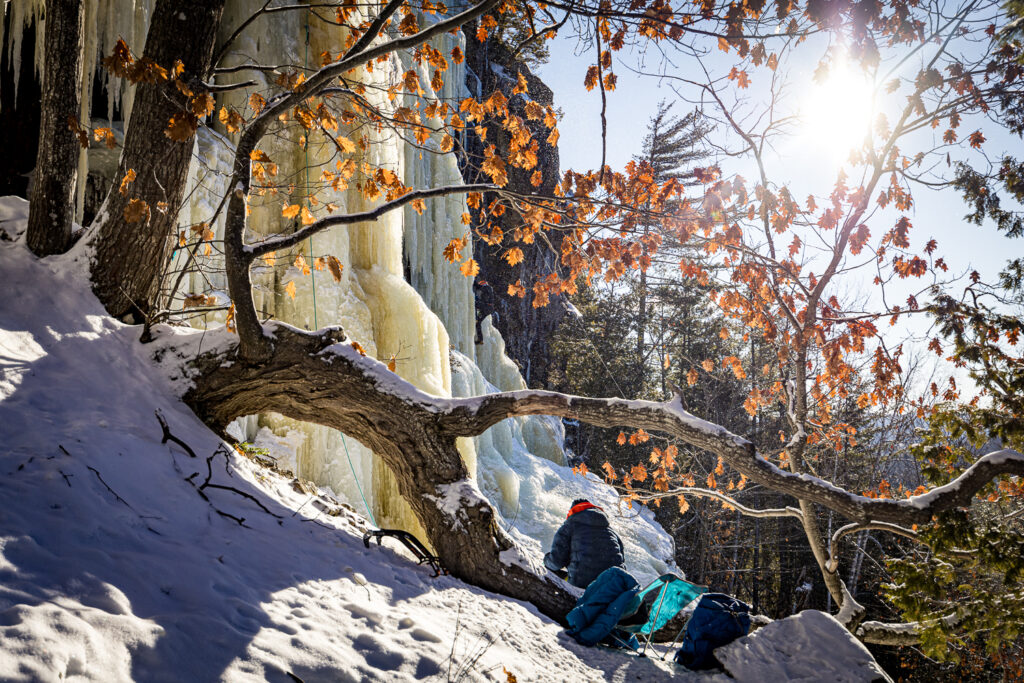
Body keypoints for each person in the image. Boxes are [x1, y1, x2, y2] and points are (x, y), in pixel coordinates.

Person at [543, 499, 626, 588]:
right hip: (615, 585)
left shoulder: (570, 526)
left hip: (583, 585)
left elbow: (556, 562)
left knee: (547, 570)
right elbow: (621, 561)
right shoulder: (612, 532)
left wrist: (546, 560)